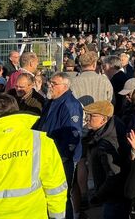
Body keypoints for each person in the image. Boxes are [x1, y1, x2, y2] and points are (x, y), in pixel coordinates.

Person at [35, 72, 84, 219]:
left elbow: (72, 136)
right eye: (49, 82)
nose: (49, 86)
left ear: (65, 86)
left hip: (61, 159)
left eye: (53, 84)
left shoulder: (70, 105)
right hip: (47, 155)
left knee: (61, 195)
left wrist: (62, 157)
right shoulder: (51, 101)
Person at [83, 100, 130, 218]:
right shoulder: (112, 128)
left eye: (92, 116)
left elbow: (113, 175)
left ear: (104, 119)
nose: (87, 119)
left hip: (113, 200)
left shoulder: (106, 144)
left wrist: (98, 195)